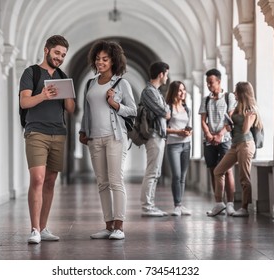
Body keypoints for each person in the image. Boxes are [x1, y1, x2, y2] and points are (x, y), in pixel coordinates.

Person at [19, 35, 75, 244]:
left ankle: (43, 228)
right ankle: (34, 229)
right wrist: (43, 95)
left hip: (58, 133)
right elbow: (24, 102)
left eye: (63, 55)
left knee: (50, 181)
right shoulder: (31, 73)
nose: (59, 57)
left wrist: (67, 93)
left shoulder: (62, 75)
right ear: (46, 50)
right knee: (38, 179)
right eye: (57, 53)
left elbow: (70, 109)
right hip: (36, 132)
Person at [79, 40, 136, 240]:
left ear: (113, 61)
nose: (100, 62)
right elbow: (86, 111)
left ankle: (119, 227)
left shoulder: (121, 83)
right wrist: (83, 130)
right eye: (97, 58)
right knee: (102, 182)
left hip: (115, 137)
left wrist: (114, 103)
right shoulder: (90, 83)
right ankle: (108, 225)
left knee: (115, 180)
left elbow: (133, 110)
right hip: (94, 138)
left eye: (105, 59)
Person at [211, 81, 262, 217]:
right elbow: (234, 126)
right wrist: (229, 124)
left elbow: (245, 130)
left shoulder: (251, 110)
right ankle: (219, 204)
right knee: (218, 171)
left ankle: (245, 208)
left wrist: (246, 117)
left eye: (236, 91)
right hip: (235, 144)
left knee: (244, 177)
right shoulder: (238, 106)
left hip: (246, 144)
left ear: (242, 93)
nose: (234, 94)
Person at [198, 68, 236, 216]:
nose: (209, 85)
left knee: (227, 171)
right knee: (213, 171)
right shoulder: (205, 100)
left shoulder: (229, 98)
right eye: (207, 83)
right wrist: (208, 134)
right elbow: (202, 120)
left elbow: (230, 121)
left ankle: (231, 204)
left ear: (219, 82)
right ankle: (219, 204)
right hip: (209, 141)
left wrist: (220, 134)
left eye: (211, 82)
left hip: (225, 140)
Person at [140, 62, 171, 217]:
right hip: (154, 135)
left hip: (159, 135)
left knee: (156, 171)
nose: (167, 77)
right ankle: (147, 206)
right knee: (152, 171)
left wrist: (165, 110)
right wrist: (165, 110)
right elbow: (164, 111)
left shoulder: (156, 92)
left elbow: (166, 110)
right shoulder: (149, 92)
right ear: (161, 74)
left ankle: (150, 205)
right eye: (166, 74)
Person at [165, 81, 192, 216]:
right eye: (180, 90)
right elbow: (163, 129)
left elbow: (188, 125)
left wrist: (187, 132)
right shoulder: (168, 108)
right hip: (173, 145)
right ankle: (176, 205)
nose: (183, 93)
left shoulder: (187, 108)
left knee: (182, 177)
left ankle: (180, 205)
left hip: (186, 144)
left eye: (184, 90)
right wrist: (178, 132)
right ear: (174, 92)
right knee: (176, 176)